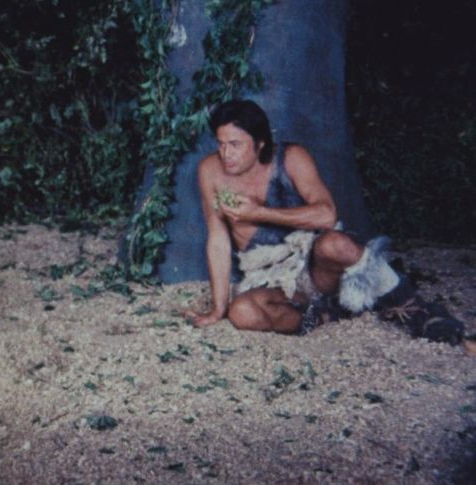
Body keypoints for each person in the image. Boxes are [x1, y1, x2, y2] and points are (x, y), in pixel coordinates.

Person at [185, 99, 464, 345]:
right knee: (242, 313)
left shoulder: (292, 158)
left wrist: (257, 213)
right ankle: (322, 314)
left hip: (315, 270)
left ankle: (419, 312)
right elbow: (218, 240)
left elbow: (326, 215)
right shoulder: (210, 170)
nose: (226, 154)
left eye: (235, 145)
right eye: (221, 144)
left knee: (338, 244)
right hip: (270, 280)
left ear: (259, 144)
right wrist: (218, 309)